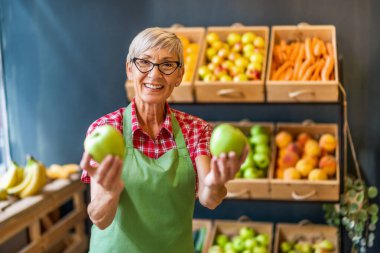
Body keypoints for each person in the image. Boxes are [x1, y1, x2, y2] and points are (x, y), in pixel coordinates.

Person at [80, 27, 248, 253]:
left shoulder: (195, 129)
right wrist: (110, 193)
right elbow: (99, 219)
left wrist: (216, 182)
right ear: (129, 69)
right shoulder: (107, 129)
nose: (154, 74)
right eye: (145, 62)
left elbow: (210, 199)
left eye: (167, 65)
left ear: (179, 75)